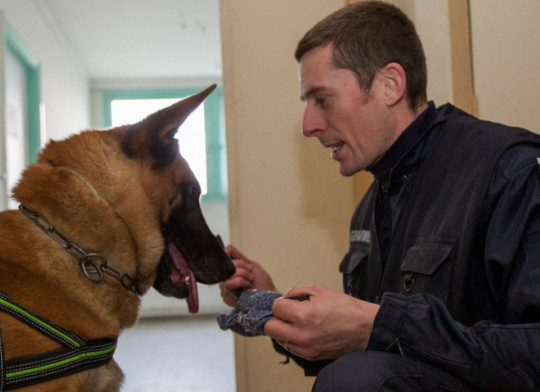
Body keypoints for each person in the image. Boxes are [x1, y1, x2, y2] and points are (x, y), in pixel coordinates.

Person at [219, 2, 540, 391]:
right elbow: (381, 353)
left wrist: (381, 325)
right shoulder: (370, 208)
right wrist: (277, 308)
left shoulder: (511, 174)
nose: (308, 125)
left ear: (390, 85)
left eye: (322, 99)